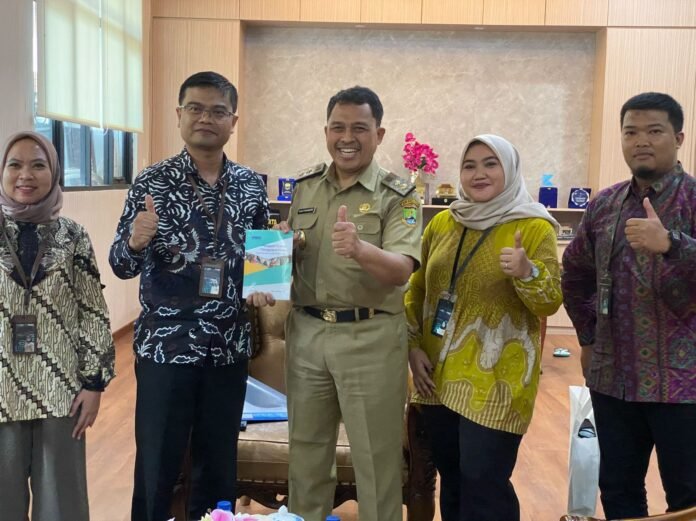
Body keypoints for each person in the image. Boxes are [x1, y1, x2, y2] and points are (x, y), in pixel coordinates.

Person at [109, 71, 273, 521]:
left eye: (218, 111)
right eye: (196, 109)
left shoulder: (250, 185)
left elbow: (263, 262)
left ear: (233, 121)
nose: (206, 118)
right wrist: (136, 241)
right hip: (167, 348)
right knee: (157, 466)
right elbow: (120, 264)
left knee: (218, 467)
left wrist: (266, 284)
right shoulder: (151, 182)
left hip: (228, 347)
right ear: (179, 115)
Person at [405, 134, 562, 521]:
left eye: (491, 164)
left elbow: (549, 302)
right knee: (453, 478)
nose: (479, 173)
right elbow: (417, 289)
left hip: (498, 379)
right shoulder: (443, 223)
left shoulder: (534, 227)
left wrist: (527, 272)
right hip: (436, 376)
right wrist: (412, 345)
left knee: (484, 482)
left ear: (509, 169)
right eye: (469, 165)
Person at [282, 86, 422, 521]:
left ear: (379, 134)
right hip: (307, 333)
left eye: (359, 128)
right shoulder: (305, 188)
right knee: (306, 454)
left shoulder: (400, 195)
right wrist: (272, 265)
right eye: (337, 127)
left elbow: (402, 270)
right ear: (326, 131)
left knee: (376, 459)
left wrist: (361, 249)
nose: (347, 138)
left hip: (370, 338)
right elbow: (288, 252)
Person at [562, 92, 696, 519]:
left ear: (678, 138)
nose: (641, 141)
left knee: (689, 495)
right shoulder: (605, 204)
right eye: (631, 132)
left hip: (684, 383)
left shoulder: (693, 199)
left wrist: (672, 244)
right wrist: (587, 337)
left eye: (654, 131)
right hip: (613, 377)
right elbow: (574, 273)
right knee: (618, 491)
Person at [0, 131, 115, 521]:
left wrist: (94, 383)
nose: (25, 175)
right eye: (15, 164)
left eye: (38, 164)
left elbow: (93, 310)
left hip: (60, 390)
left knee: (61, 506)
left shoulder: (72, 235)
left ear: (54, 172)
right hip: (1, 388)